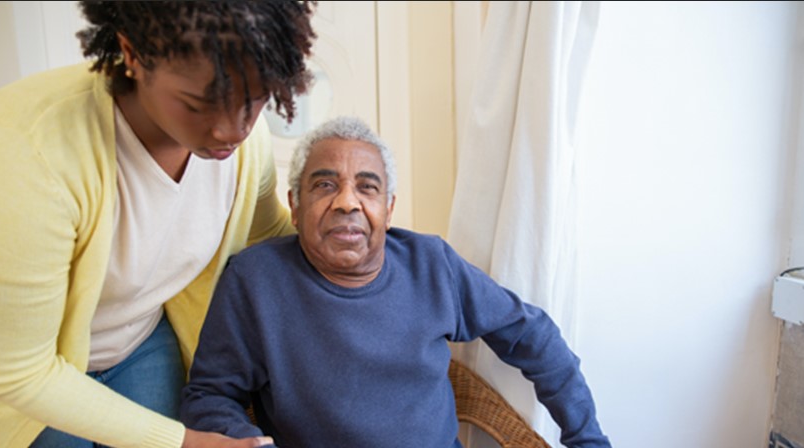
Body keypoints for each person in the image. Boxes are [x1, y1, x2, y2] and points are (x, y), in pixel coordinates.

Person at [0, 2, 318, 447]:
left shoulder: (246, 149)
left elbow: (267, 236)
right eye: (200, 105)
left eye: (253, 102)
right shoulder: (31, 147)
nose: (232, 131)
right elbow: (18, 370)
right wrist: (183, 441)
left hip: (143, 340)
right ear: (133, 54)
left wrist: (377, 261)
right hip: (26, 377)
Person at [180, 116, 612, 447]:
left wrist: (587, 439)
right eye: (325, 184)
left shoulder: (431, 264)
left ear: (389, 209)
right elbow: (208, 396)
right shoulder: (256, 280)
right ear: (294, 205)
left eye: (366, 188)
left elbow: (534, 337)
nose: (346, 202)